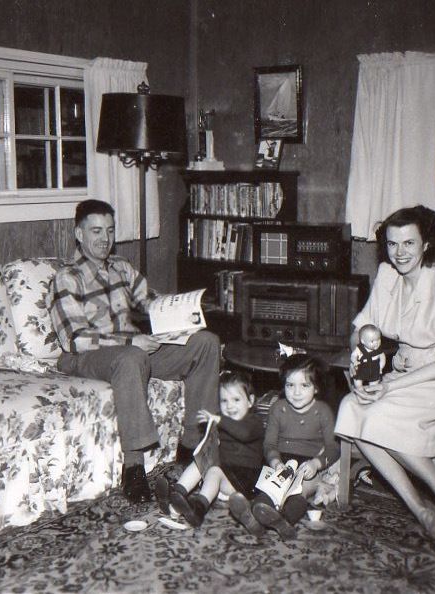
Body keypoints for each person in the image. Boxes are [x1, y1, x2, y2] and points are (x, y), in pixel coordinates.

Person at [48, 199, 220, 505]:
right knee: (132, 356)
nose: (105, 239)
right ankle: (133, 466)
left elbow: (151, 302)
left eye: (110, 231)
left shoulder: (122, 267)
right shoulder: (67, 278)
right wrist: (129, 342)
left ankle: (193, 443)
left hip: (133, 351)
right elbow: (74, 339)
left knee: (205, 342)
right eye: (96, 231)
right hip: (86, 356)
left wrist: (186, 309)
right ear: (79, 233)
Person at [335, 205, 435, 551]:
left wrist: (387, 385)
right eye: (392, 244)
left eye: (409, 244)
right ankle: (422, 510)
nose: (399, 253)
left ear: (427, 244)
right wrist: (362, 369)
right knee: (352, 407)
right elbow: (360, 331)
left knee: (379, 412)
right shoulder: (387, 276)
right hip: (405, 372)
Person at [229, 354, 340, 540]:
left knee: (300, 491)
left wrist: (317, 464)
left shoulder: (323, 412)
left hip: (308, 465)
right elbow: (270, 443)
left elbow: (333, 447)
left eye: (304, 385)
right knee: (269, 488)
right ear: (283, 386)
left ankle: (284, 520)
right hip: (282, 460)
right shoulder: (277, 408)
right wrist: (275, 461)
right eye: (290, 385)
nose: (296, 392)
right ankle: (254, 517)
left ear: (316, 388)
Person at [155, 370, 265, 532]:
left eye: (236, 399)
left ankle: (198, 508)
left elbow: (244, 434)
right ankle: (176, 493)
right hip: (224, 472)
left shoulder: (254, 422)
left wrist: (219, 420)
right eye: (224, 401)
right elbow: (210, 444)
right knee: (200, 464)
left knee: (214, 470)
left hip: (241, 482)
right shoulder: (223, 421)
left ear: (250, 401)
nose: (230, 406)